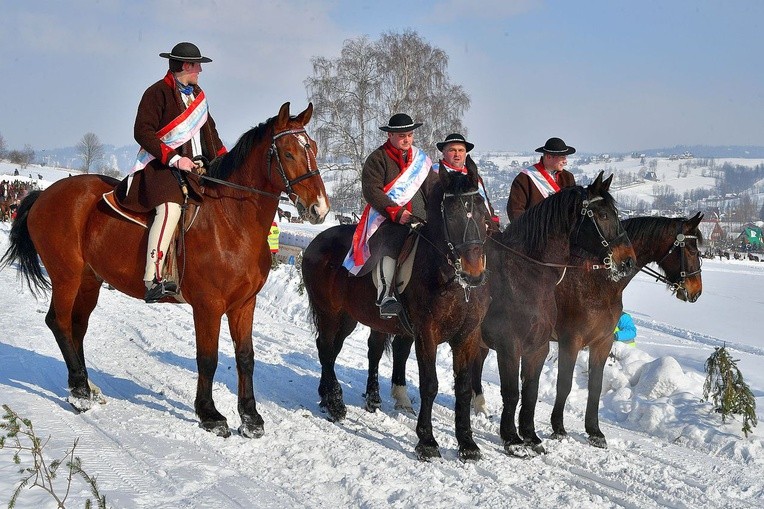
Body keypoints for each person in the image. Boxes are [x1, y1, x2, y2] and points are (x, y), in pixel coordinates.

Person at [116, 42, 227, 303]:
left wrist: (224, 162)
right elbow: (142, 132)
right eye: (197, 65)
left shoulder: (198, 96)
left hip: (194, 170)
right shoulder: (157, 93)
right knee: (171, 208)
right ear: (185, 66)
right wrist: (175, 159)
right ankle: (152, 277)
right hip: (160, 168)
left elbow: (211, 136)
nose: (200, 70)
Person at [342, 113, 437, 318]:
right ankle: (386, 295)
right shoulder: (377, 159)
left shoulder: (421, 160)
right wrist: (396, 212)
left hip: (420, 219)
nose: (407, 139)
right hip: (387, 219)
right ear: (391, 135)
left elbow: (433, 190)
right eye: (402, 135)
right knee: (389, 245)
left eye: (410, 135)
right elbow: (372, 191)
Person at [433, 133, 500, 231]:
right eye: (452, 150)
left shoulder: (473, 175)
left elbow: (483, 200)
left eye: (461, 150)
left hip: (479, 227)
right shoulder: (435, 173)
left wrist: (491, 219)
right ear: (443, 152)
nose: (457, 154)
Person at [507, 137, 577, 221]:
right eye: (562, 157)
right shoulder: (524, 179)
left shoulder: (568, 178)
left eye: (565, 157)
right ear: (548, 157)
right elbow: (515, 210)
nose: (565, 161)